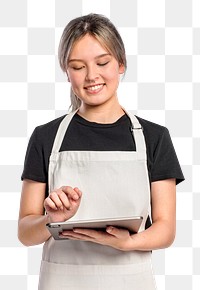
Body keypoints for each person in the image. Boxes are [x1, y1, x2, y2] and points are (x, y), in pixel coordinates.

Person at [18, 13, 184, 290]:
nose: (92, 75)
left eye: (103, 62)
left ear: (121, 64)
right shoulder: (45, 137)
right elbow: (25, 232)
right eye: (78, 66)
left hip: (131, 280)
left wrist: (128, 242)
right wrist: (51, 219)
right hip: (62, 281)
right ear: (66, 71)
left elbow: (166, 230)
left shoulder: (155, 138)